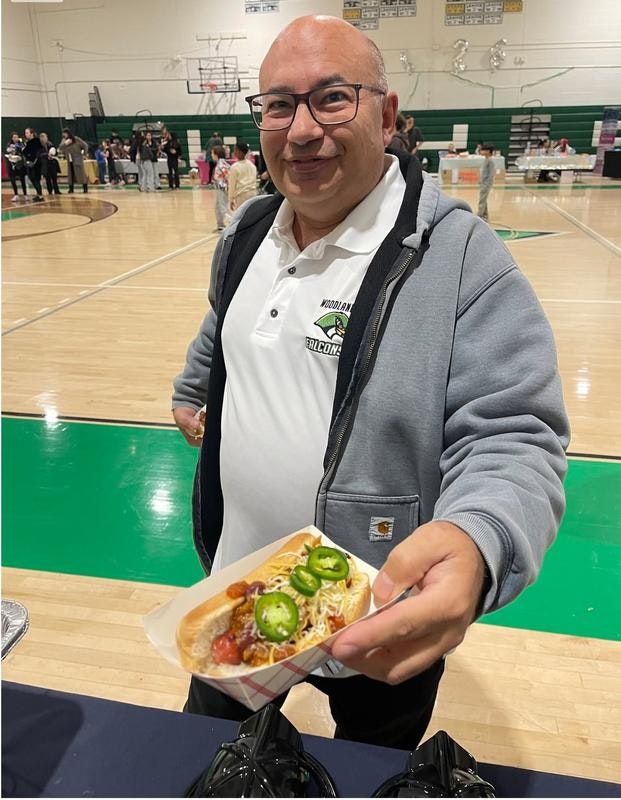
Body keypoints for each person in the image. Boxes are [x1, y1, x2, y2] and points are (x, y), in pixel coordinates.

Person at [171, 15, 568, 751]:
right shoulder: (248, 230)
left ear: (386, 117)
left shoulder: (459, 256)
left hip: (376, 611)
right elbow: (224, 323)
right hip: (236, 589)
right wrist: (191, 385)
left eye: (331, 98)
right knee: (205, 758)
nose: (299, 129)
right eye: (279, 105)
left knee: (367, 765)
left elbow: (514, 434)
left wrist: (480, 539)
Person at [228, 142, 257, 212]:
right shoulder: (252, 165)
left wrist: (231, 199)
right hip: (253, 194)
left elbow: (232, 185)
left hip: (242, 195)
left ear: (240, 152)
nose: (233, 151)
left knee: (241, 217)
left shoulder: (234, 167)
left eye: (235, 149)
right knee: (251, 215)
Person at [210, 145, 230, 231]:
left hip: (223, 188)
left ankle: (232, 223)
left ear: (216, 154)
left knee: (223, 208)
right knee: (218, 207)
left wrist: (228, 186)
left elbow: (228, 175)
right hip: (220, 188)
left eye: (212, 153)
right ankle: (220, 225)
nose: (211, 155)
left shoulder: (222, 164)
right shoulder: (220, 163)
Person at [22, 128, 45, 202]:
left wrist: (34, 160)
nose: (26, 134)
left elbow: (39, 151)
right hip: (29, 163)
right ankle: (38, 194)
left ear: (31, 133)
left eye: (27, 133)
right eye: (25, 133)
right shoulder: (27, 142)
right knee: (32, 178)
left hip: (36, 163)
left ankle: (40, 195)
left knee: (36, 179)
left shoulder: (36, 141)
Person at [5, 132, 28, 201]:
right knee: (12, 179)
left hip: (19, 164)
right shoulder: (9, 144)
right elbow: (8, 151)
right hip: (11, 164)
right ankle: (16, 195)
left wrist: (21, 156)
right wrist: (10, 154)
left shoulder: (21, 144)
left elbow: (24, 152)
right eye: (14, 137)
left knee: (22, 179)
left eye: (17, 137)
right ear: (12, 138)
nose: (15, 138)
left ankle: (25, 195)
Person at [477, 143, 495, 222]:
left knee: (482, 200)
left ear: (488, 151)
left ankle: (479, 216)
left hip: (486, 184)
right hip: (483, 183)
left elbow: (491, 175)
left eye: (483, 150)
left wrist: (486, 184)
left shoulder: (490, 161)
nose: (481, 151)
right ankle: (485, 215)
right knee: (484, 200)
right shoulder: (486, 160)